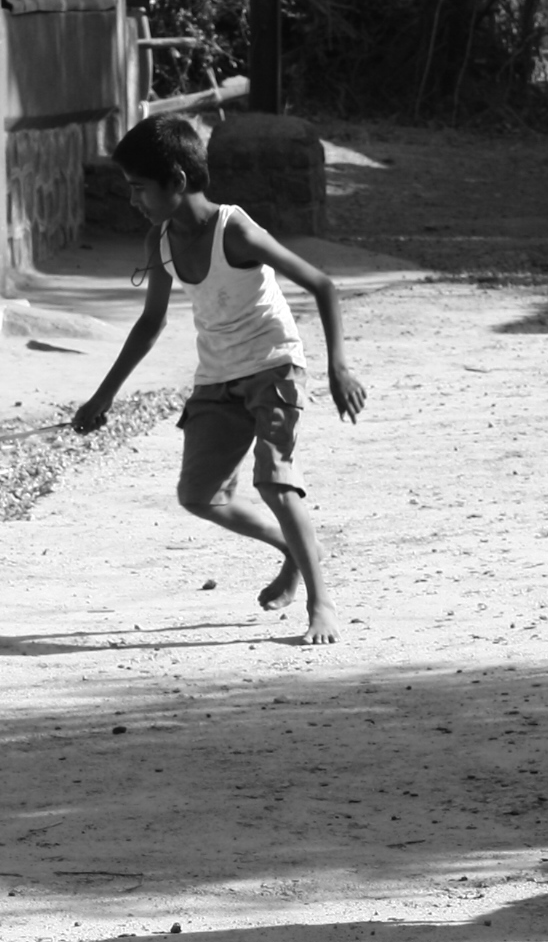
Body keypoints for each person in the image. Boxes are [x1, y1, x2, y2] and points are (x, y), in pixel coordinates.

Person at [73, 115, 367, 646]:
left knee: (274, 481)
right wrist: (102, 396)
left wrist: (338, 365)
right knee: (199, 495)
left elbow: (322, 285)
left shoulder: (236, 231)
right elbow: (151, 322)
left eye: (139, 187)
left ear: (177, 181)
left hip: (273, 365)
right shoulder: (160, 239)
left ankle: (321, 604)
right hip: (217, 376)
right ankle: (295, 548)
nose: (132, 199)